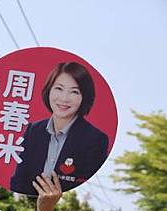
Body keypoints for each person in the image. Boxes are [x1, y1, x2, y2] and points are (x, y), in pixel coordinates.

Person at [10, 62, 109, 195]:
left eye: (74, 91)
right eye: (59, 88)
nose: (64, 98)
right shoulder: (33, 130)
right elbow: (19, 180)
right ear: (49, 90)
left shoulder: (95, 139)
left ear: (84, 97)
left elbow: (80, 186)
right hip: (27, 206)